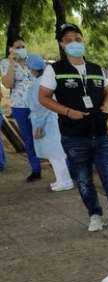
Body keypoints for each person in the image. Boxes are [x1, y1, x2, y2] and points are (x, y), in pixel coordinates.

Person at [38, 23, 108, 234]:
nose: (74, 43)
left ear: (82, 40)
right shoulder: (55, 70)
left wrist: (105, 105)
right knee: (84, 181)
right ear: (61, 44)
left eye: (77, 39)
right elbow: (43, 98)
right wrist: (68, 112)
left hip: (100, 133)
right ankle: (95, 215)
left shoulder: (95, 69)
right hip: (74, 136)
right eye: (68, 40)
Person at [25, 54, 73, 192]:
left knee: (55, 154)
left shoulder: (39, 83)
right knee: (55, 153)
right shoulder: (44, 81)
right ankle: (61, 180)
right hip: (50, 119)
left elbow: (40, 106)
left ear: (33, 68)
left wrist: (39, 125)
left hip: (46, 122)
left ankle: (65, 181)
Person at [1, 36, 42, 181]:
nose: (21, 49)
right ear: (11, 49)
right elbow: (8, 84)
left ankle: (62, 167)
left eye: (23, 46)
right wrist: (12, 62)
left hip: (39, 104)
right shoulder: (5, 63)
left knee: (47, 134)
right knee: (29, 138)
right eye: (18, 47)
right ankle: (36, 169)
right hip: (20, 106)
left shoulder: (34, 61)